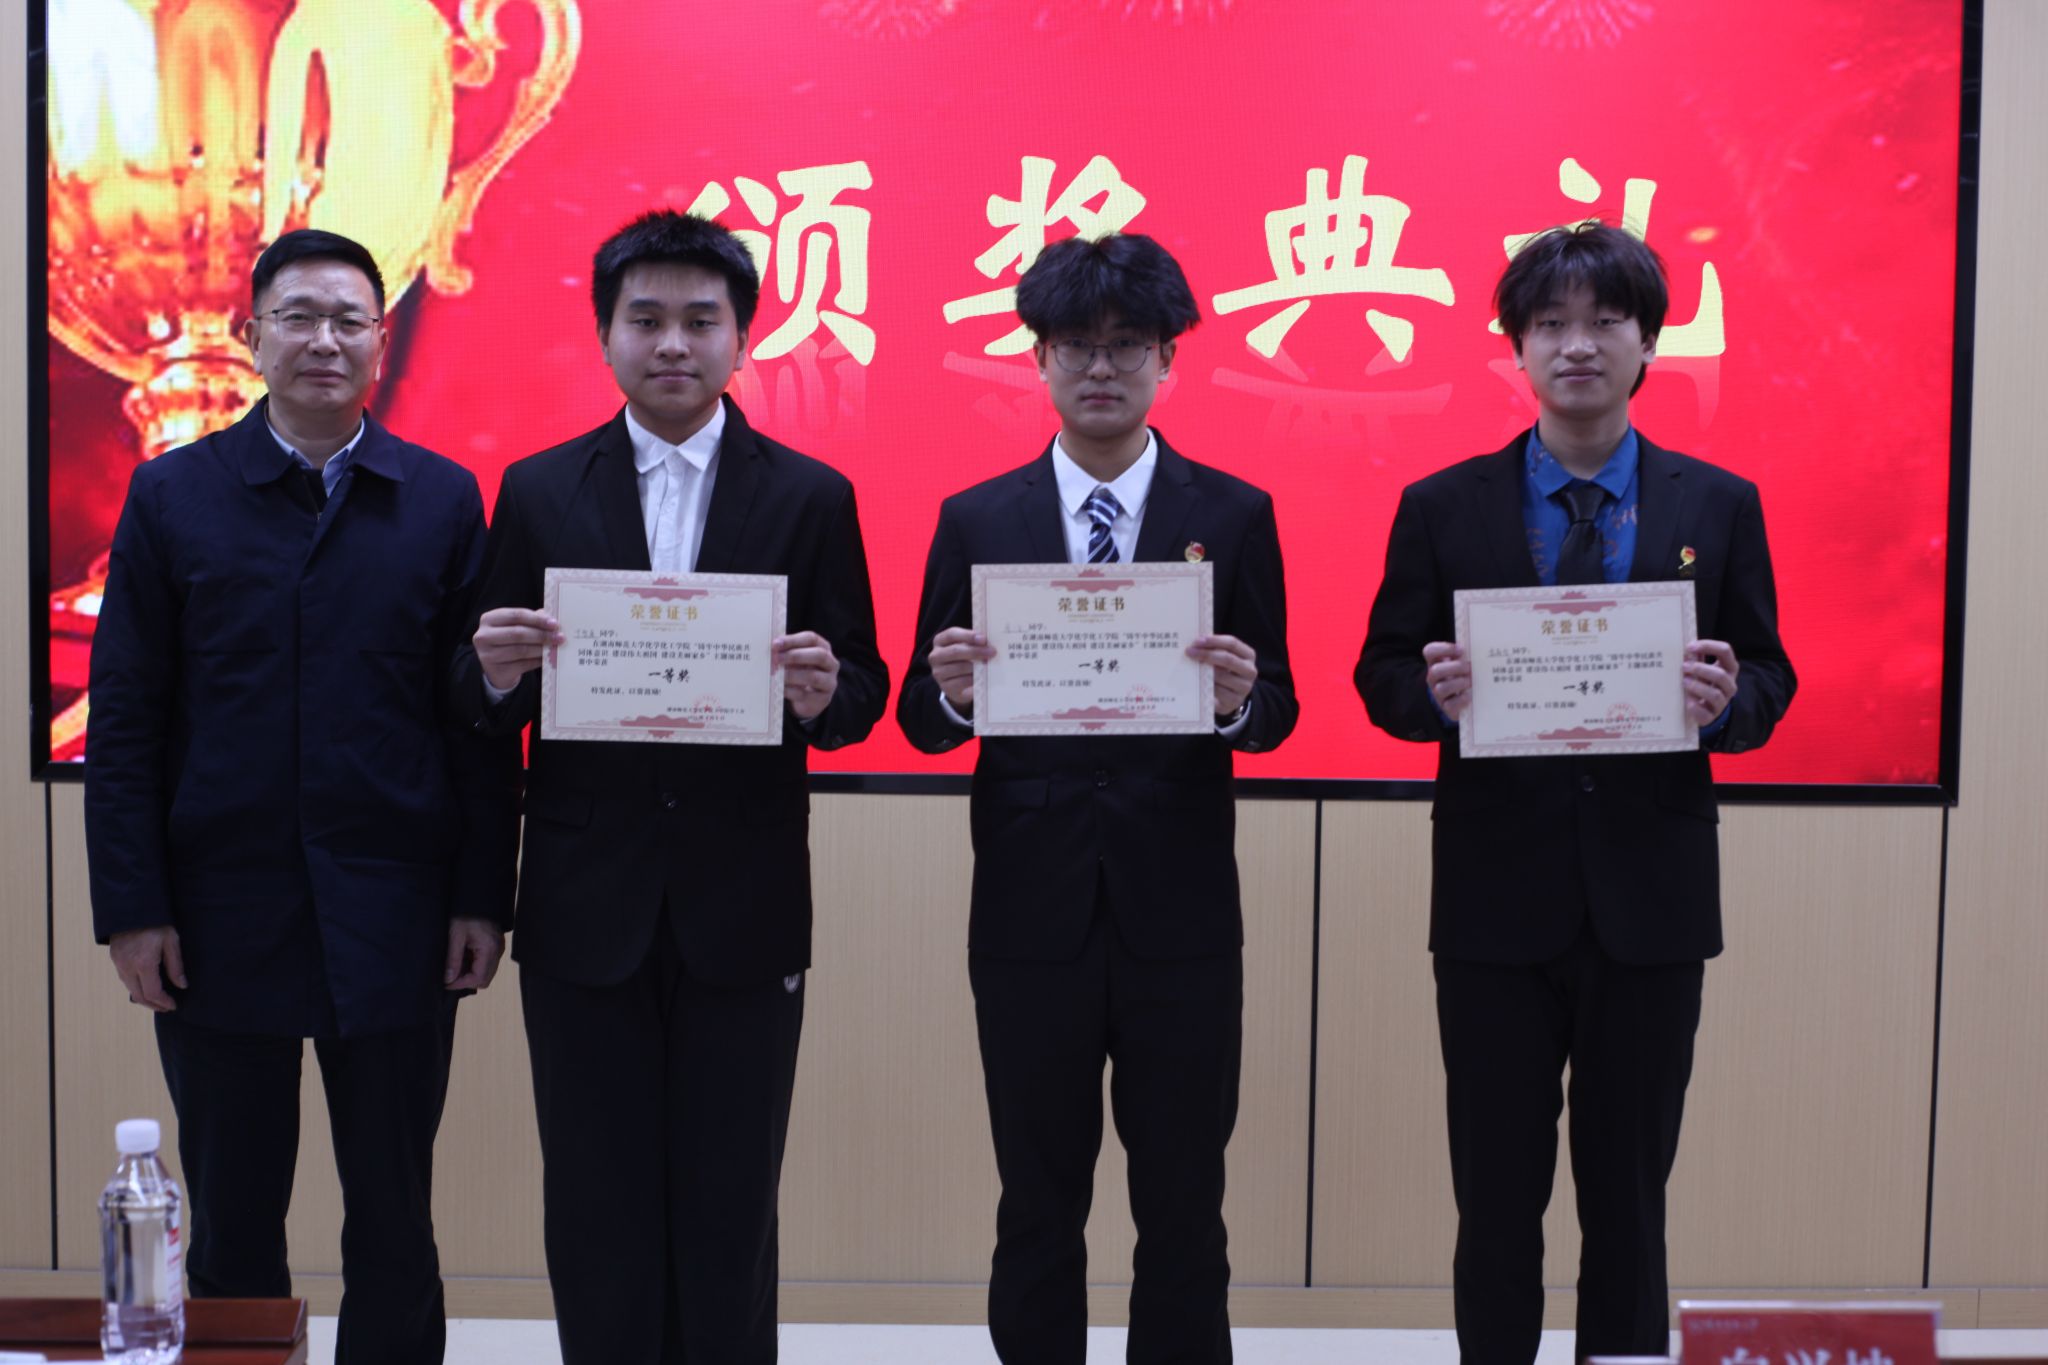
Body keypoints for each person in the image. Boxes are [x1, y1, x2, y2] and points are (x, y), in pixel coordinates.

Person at [1355, 221, 1797, 1364]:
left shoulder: (1717, 503)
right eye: (1548, 323)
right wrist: (1429, 692)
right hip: (1493, 905)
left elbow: (1767, 674)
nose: (1576, 345)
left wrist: (1725, 700)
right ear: (1515, 346)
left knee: (1629, 1202)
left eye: (1605, 320)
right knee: (1494, 1198)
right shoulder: (1442, 505)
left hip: (1651, 903)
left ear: (1648, 342)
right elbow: (1381, 675)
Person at [451, 209, 887, 1364]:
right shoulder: (539, 489)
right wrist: (492, 673)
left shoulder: (809, 495)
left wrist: (821, 694)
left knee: (730, 1206)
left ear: (742, 338)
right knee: (593, 1203)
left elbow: (859, 693)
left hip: (743, 908)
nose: (673, 344)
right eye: (645, 319)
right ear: (605, 335)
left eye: (701, 320)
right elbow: (477, 698)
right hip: (582, 905)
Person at [85, 228, 521, 1365]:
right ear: (252, 336)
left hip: (398, 911)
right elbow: (125, 718)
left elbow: (474, 722)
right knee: (232, 1218)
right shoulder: (173, 496)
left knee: (394, 1215)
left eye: (348, 319)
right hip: (218, 915)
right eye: (298, 316)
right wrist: (133, 908)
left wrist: (482, 897)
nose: (324, 340)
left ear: (381, 338)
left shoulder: (440, 499)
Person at [897, 233, 1299, 1365]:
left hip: (1181, 920)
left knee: (1184, 1200)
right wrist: (955, 694)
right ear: (1038, 358)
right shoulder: (980, 518)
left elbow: (1277, 708)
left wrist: (1237, 701)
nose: (1102, 368)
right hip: (1031, 917)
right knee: (1037, 1198)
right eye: (1076, 345)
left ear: (1168, 358)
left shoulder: (1233, 514)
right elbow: (921, 717)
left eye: (1128, 345)